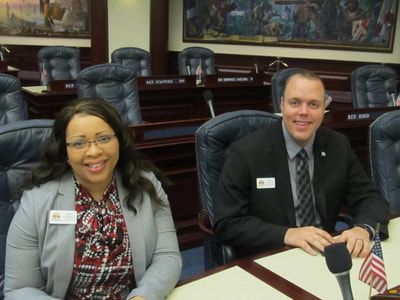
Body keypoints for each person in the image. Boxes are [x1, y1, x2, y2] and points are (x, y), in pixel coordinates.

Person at [4, 98, 182, 300]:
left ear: (119, 141)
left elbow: (167, 257)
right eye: (79, 143)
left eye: (104, 138)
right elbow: (19, 289)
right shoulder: (38, 199)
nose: (94, 151)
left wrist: (143, 296)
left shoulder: (145, 186)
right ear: (65, 151)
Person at [214, 69, 390, 259]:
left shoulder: (338, 144)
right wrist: (287, 234)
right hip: (271, 258)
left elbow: (369, 198)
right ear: (282, 104)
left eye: (313, 104)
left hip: (324, 254)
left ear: (324, 108)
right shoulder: (246, 152)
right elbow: (227, 223)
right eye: (295, 102)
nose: (303, 112)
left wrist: (363, 229)